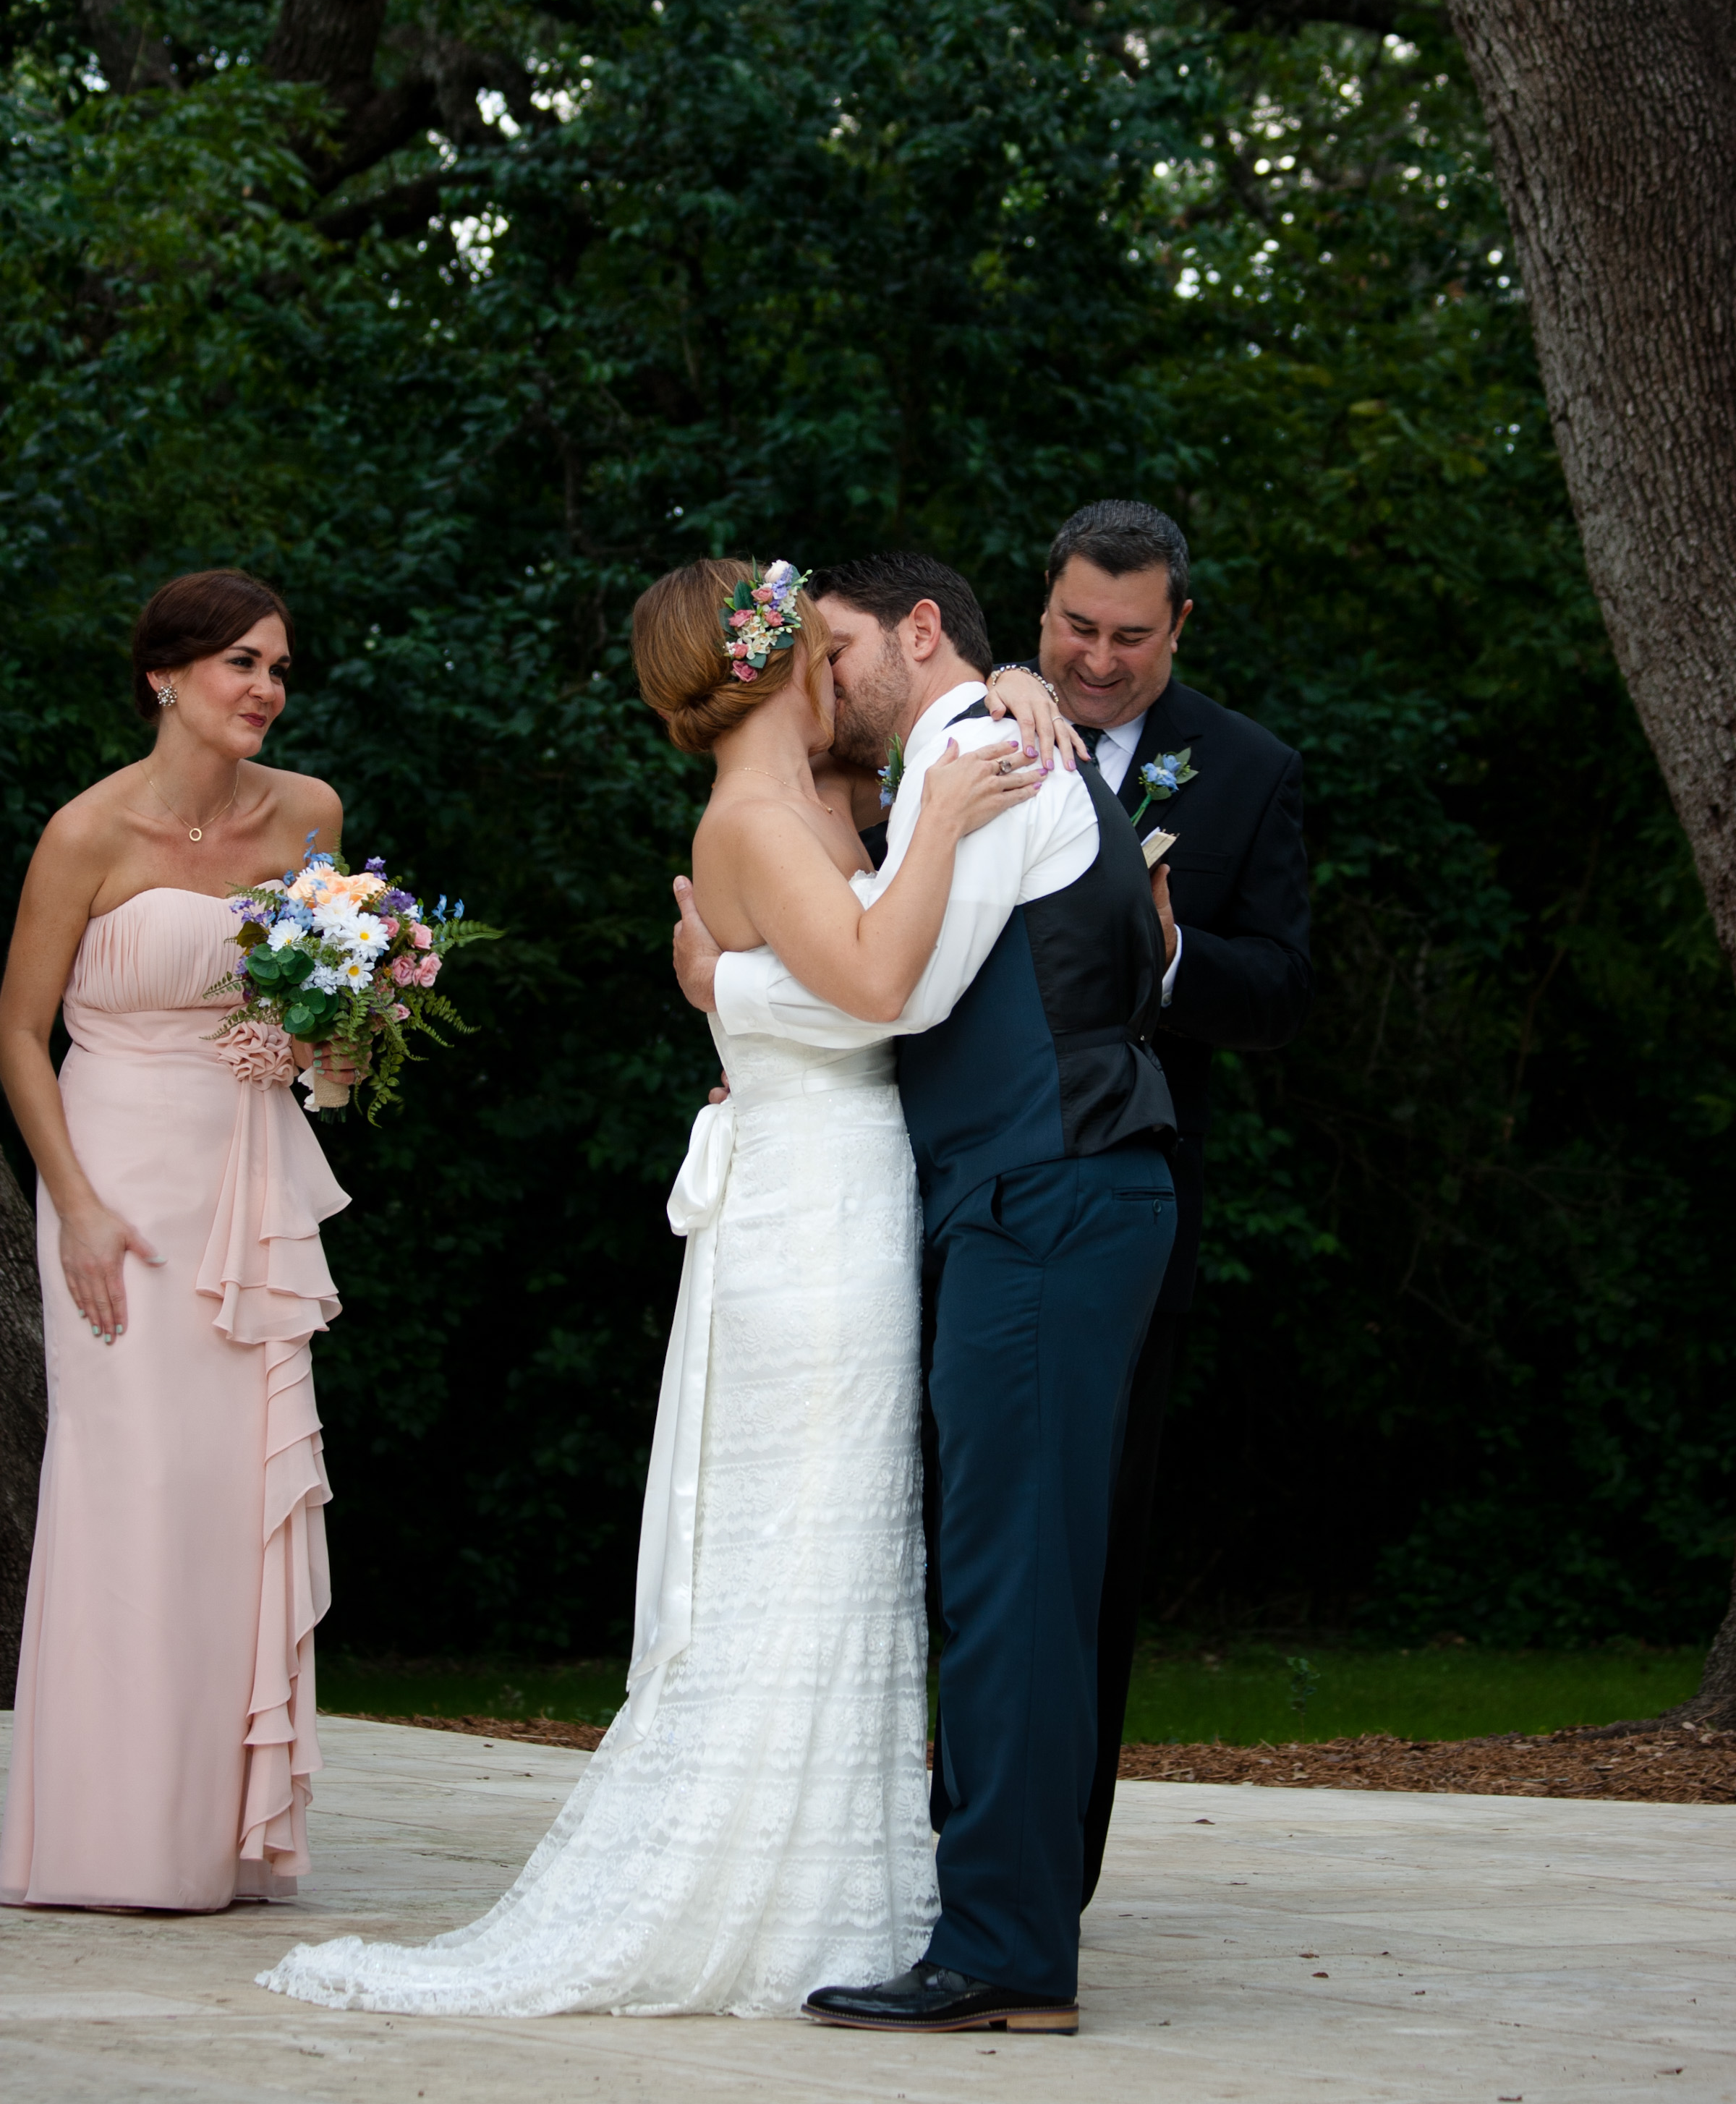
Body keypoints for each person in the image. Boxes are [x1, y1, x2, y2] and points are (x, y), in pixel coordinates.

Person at [259, 555, 1045, 2018]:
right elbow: (880, 982)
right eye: (819, 643)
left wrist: (1002, 686)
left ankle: (839, 1891)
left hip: (849, 1194)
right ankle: (765, 1897)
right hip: (807, 1220)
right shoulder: (750, 821)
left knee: (848, 1541)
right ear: (776, 658)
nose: (840, 666)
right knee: (801, 1541)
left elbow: (879, 851)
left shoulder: (822, 796)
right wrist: (941, 821)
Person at [673, 552, 1178, 2037]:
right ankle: (1006, 1923)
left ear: (919, 631)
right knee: (1014, 1572)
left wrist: (726, 988)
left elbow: (900, 991)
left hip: (1045, 1198)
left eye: (835, 648)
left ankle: (1008, 1951)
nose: (817, 675)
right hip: (1041, 1196)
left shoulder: (979, 756)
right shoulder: (970, 748)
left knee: (1014, 1581)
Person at [0, 569, 353, 1912]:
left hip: (244, 1181)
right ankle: (105, 1837)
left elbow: (328, 1013)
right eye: (240, 663)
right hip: (116, 1181)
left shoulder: (309, 815)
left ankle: (215, 1837)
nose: (265, 688)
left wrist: (319, 1049)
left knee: (224, 1495)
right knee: (129, 1483)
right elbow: (16, 1035)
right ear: (166, 676)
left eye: (279, 667)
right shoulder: (87, 831)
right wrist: (78, 1204)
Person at [1032, 500, 1312, 1903]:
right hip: (943, 1187)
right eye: (1077, 626)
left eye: (1131, 637)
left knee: (1091, 1543)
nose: (1097, 659)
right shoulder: (964, 736)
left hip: (1130, 1216)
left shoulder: (1250, 772)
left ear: (1180, 627)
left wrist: (1173, 949)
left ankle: (1047, 1884)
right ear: (1043, 606)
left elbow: (1282, 994)